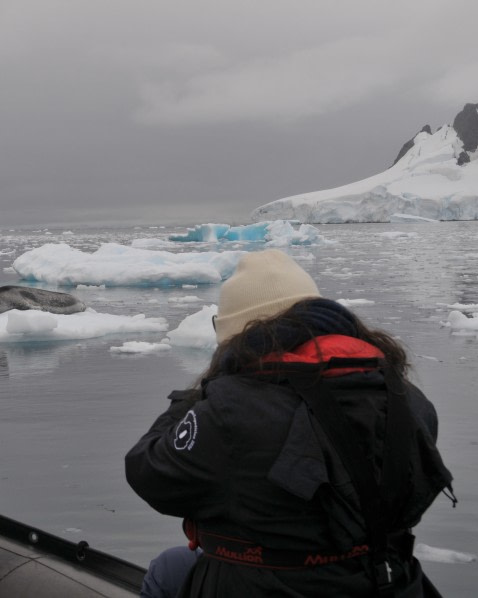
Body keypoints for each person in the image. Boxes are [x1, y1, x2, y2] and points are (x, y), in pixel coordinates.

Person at [126, 249, 454, 597]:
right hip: (390, 584)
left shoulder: (231, 411)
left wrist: (195, 398)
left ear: (234, 333)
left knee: (170, 568)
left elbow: (149, 473)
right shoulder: (406, 397)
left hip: (266, 589)